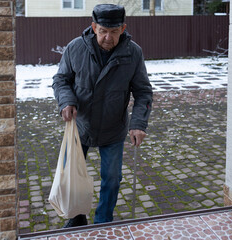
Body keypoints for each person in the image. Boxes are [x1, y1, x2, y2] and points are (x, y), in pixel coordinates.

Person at [52, 4, 153, 227]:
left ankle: (103, 221)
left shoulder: (133, 52)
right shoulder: (75, 48)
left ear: (123, 28)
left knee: (112, 179)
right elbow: (61, 80)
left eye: (114, 31)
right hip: (81, 126)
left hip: (113, 128)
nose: (108, 37)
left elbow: (143, 91)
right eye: (103, 31)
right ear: (94, 27)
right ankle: (76, 216)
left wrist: (138, 124)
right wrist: (66, 100)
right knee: (71, 177)